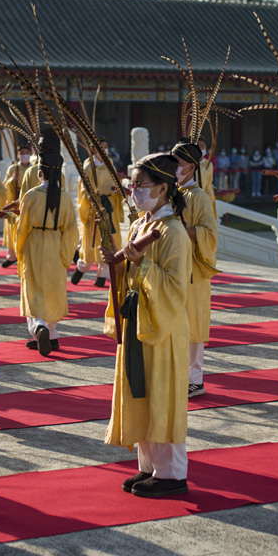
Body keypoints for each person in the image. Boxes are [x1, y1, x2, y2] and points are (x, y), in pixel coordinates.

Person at [104, 153, 191, 498]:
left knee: (161, 396)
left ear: (164, 187)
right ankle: (148, 466)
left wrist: (141, 267)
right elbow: (130, 270)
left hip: (162, 327)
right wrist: (117, 265)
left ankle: (171, 473)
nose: (134, 191)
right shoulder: (143, 223)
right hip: (138, 316)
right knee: (139, 391)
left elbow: (175, 289)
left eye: (141, 185)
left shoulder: (173, 233)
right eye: (132, 185)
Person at [16, 150, 79, 356]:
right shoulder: (65, 197)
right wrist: (65, 254)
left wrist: (20, 251)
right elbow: (71, 230)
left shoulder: (31, 195)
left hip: (34, 243)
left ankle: (39, 327)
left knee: (33, 289)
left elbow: (22, 228)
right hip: (56, 244)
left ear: (39, 173)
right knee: (53, 289)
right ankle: (52, 335)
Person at [172, 141, 219, 397]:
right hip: (172, 265)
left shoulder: (198, 196)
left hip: (193, 267)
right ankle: (176, 373)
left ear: (190, 167)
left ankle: (195, 378)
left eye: (176, 164)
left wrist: (181, 229)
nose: (172, 169)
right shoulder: (170, 192)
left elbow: (210, 233)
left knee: (193, 323)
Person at [73, 138, 123, 287]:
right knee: (91, 243)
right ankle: (82, 267)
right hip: (94, 209)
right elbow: (83, 189)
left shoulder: (110, 164)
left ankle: (102, 275)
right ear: (93, 149)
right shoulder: (88, 167)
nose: (104, 150)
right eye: (101, 147)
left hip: (109, 207)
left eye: (106, 146)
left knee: (109, 240)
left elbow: (115, 183)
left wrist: (117, 190)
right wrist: (92, 197)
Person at [1, 138, 33, 268]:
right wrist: (12, 181)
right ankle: (12, 256)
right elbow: (4, 186)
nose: (24, 155)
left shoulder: (33, 169)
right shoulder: (13, 169)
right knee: (13, 227)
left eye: (27, 152)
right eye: (22, 152)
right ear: (18, 154)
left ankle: (24, 253)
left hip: (27, 201)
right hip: (14, 200)